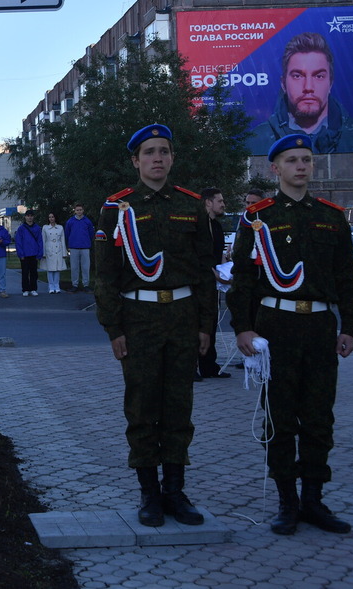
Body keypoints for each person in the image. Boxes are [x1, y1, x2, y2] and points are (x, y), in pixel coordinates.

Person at [229, 134, 353, 537]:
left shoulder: (332, 216)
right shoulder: (258, 218)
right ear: (276, 168)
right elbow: (243, 280)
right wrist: (243, 327)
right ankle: (287, 501)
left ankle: (314, 499)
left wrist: (350, 326)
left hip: (320, 327)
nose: (301, 166)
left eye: (306, 159)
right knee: (280, 418)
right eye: (292, 160)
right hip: (277, 327)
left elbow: (345, 277)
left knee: (319, 418)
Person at [95, 124, 217, 528]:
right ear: (136, 161)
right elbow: (105, 277)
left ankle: (175, 491)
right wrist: (114, 329)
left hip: (183, 318)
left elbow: (204, 271)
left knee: (179, 407)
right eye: (149, 152)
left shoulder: (192, 205)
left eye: (164, 151)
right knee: (143, 408)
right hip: (139, 320)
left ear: (172, 158)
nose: (158, 158)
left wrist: (206, 326)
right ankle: (149, 493)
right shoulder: (116, 208)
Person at [248, 32, 353, 155]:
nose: (308, 87)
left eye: (319, 76)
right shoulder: (254, 141)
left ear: (330, 83)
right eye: (297, 76)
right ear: (283, 84)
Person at [197, 188, 232, 380]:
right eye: (220, 201)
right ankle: (192, 366)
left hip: (213, 285)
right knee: (196, 325)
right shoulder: (198, 225)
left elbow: (218, 254)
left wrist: (225, 270)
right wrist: (212, 272)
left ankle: (209, 365)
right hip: (198, 283)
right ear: (208, 203)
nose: (223, 204)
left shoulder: (217, 226)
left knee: (211, 323)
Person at [64, 203, 96, 292]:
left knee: (85, 267)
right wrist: (68, 245)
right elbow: (67, 234)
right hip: (74, 247)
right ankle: (75, 285)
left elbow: (91, 234)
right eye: (77, 210)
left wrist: (88, 242)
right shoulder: (70, 221)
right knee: (74, 267)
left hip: (85, 247)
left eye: (80, 210)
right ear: (74, 210)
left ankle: (86, 285)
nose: (79, 211)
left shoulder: (87, 221)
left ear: (83, 210)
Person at [14, 210, 44, 296]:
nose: (30, 217)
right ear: (25, 217)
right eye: (28, 216)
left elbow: (40, 241)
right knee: (25, 272)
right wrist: (21, 254)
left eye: (31, 216)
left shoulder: (37, 228)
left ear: (33, 217)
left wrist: (39, 253)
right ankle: (25, 289)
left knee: (34, 272)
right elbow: (18, 242)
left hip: (34, 254)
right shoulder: (21, 228)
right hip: (25, 254)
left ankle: (33, 289)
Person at [40, 212, 68, 294]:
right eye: (50, 217)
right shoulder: (45, 228)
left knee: (57, 269)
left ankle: (57, 285)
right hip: (49, 249)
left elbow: (63, 240)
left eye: (53, 217)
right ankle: (51, 286)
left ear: (55, 218)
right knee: (50, 269)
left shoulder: (60, 228)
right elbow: (43, 240)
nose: (51, 219)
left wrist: (64, 252)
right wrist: (44, 253)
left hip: (58, 249)